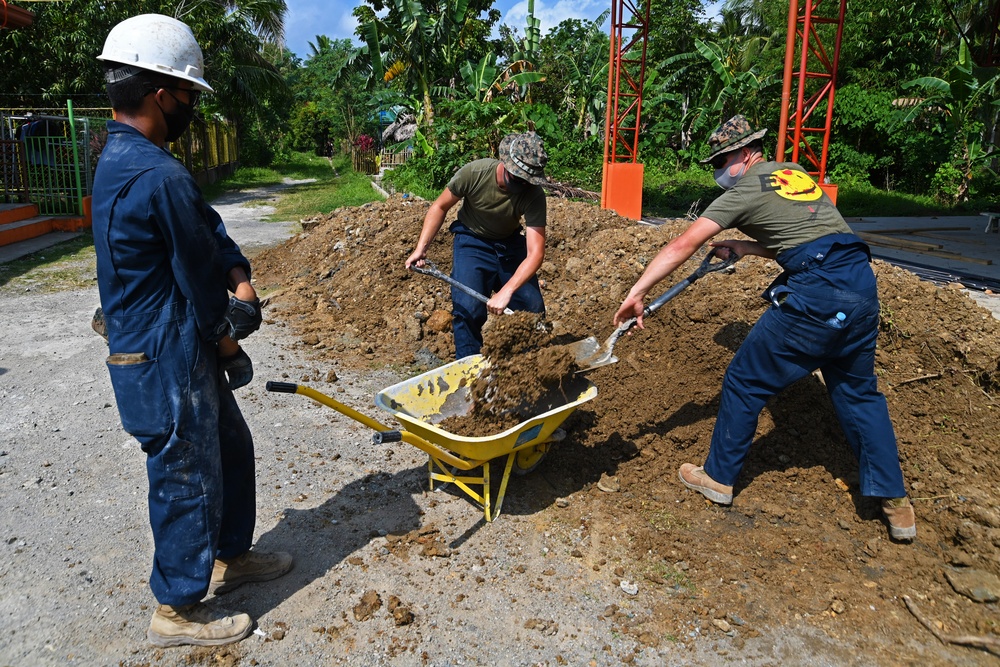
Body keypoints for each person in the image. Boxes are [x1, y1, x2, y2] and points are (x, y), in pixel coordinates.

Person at [613, 114, 916, 542]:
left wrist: (637, 292)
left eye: (721, 159)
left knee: (744, 379)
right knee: (859, 394)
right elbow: (808, 240)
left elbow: (683, 243)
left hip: (817, 296)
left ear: (744, 153)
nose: (719, 169)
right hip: (861, 289)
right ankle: (897, 505)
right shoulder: (793, 173)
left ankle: (717, 478)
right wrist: (746, 247)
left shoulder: (743, 191)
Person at [93, 14, 293, 647]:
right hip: (164, 351)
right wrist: (232, 340)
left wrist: (240, 271)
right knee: (186, 474)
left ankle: (232, 555)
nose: (190, 108)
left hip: (171, 342)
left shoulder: (129, 157)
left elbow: (206, 230)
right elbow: (198, 285)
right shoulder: (157, 175)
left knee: (229, 448)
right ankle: (176, 608)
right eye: (187, 95)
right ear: (160, 94)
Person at [405, 132, 549, 358]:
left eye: (527, 181)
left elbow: (535, 253)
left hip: (510, 245)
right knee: (468, 309)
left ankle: (528, 369)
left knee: (532, 309)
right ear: (505, 163)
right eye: (518, 178)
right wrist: (421, 248)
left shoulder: (533, 194)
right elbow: (440, 207)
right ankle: (469, 373)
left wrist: (506, 291)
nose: (522, 185)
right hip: (472, 241)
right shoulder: (475, 173)